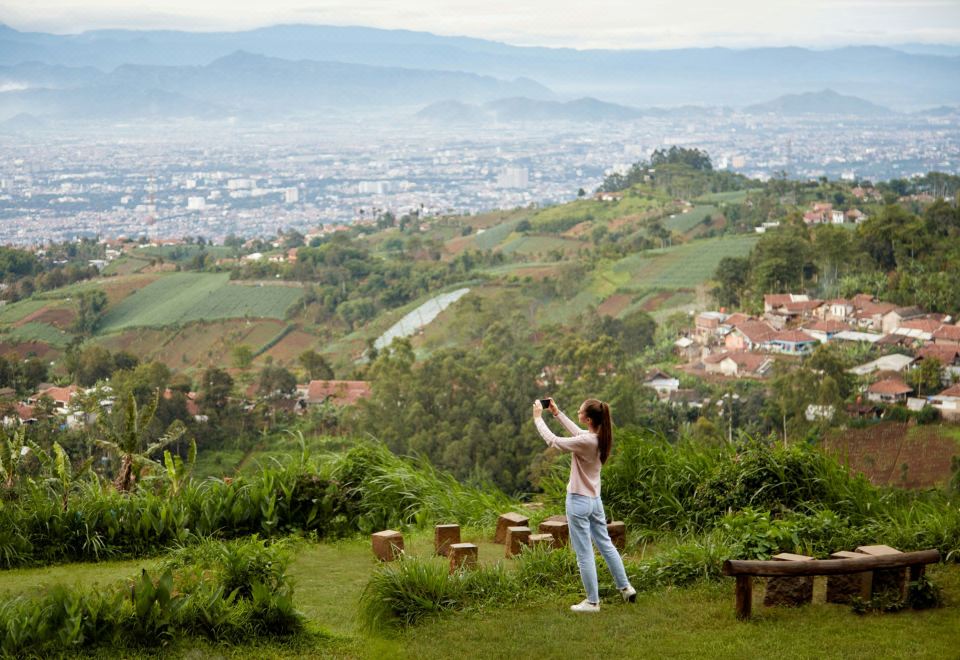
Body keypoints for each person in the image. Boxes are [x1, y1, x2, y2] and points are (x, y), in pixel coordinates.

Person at [533, 398, 636, 613]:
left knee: (584, 554)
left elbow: (553, 441)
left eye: (580, 412)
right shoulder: (600, 437)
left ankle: (592, 602)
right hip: (594, 501)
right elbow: (579, 434)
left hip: (578, 501)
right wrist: (557, 414)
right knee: (606, 545)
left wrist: (537, 418)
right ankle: (626, 588)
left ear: (588, 419)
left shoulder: (588, 442)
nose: (578, 413)